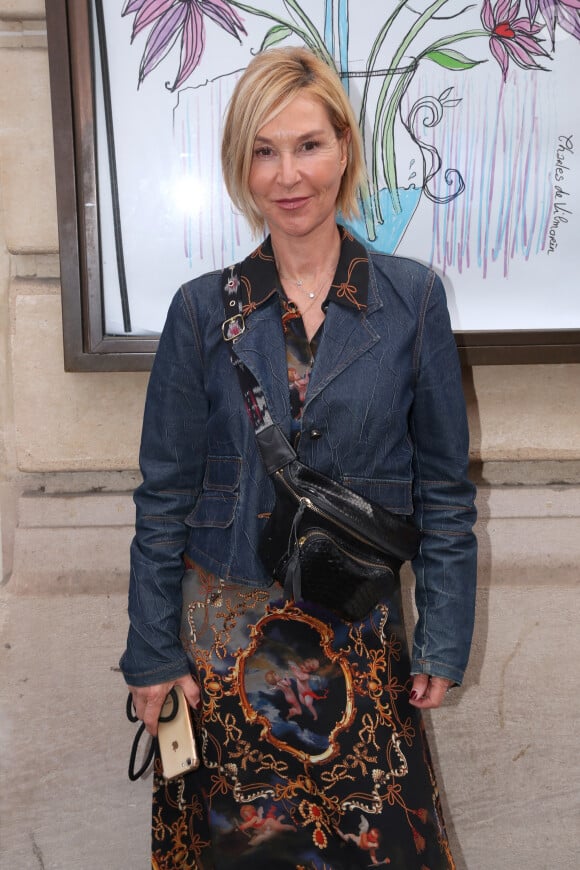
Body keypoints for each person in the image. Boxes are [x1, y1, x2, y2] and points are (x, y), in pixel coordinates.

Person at [121, 45, 477, 870]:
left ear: (345, 148)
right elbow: (163, 495)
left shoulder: (411, 298)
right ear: (241, 166)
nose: (289, 175)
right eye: (265, 150)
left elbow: (446, 492)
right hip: (222, 650)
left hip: (359, 638)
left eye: (308, 145)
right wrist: (151, 653)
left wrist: (445, 638)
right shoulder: (201, 310)